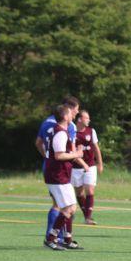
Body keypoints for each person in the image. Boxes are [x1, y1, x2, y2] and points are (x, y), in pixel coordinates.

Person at [43, 103, 89, 251]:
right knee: (68, 208)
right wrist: (77, 154)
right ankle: (51, 238)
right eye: (70, 113)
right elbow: (59, 155)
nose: (73, 115)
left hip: (61, 175)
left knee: (71, 207)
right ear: (64, 116)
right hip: (57, 175)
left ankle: (67, 239)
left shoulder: (62, 131)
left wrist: (76, 154)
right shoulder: (60, 133)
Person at [36, 97, 80, 242]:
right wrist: (78, 155)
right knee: (63, 207)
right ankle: (54, 237)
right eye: (75, 110)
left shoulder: (46, 122)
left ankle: (65, 238)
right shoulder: (66, 128)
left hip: (53, 168)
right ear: (67, 112)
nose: (76, 113)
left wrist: (47, 157)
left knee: (68, 206)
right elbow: (64, 153)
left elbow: (38, 142)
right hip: (58, 172)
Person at [72, 110, 103, 225]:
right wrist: (82, 163)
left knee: (90, 190)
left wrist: (100, 163)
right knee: (79, 193)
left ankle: (88, 217)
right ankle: (86, 216)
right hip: (75, 167)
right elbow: (72, 152)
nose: (89, 120)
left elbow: (96, 148)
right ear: (80, 119)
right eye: (86, 118)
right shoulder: (72, 132)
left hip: (90, 165)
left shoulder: (91, 131)